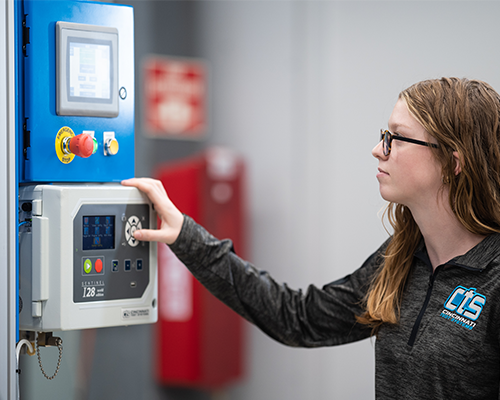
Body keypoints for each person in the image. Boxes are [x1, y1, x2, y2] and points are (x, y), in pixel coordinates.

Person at [122, 77, 500, 399]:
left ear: (453, 161)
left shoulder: (492, 276)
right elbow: (297, 318)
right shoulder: (403, 259)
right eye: (384, 135)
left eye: (397, 139)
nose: (377, 150)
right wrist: (186, 236)